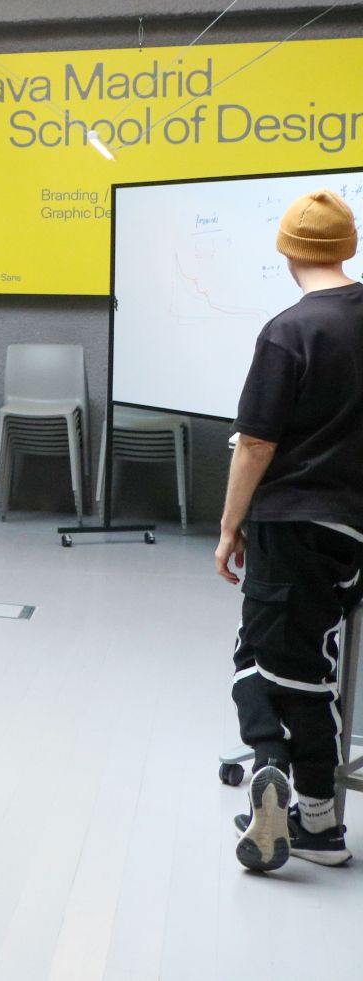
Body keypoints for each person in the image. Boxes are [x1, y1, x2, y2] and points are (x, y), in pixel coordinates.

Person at [217, 188, 362, 873]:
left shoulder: (289, 331)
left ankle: (314, 815)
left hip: (294, 523)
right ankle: (279, 776)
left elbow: (254, 444)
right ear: (348, 247)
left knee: (278, 663)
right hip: (353, 532)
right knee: (288, 649)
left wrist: (229, 527)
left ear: (286, 252)